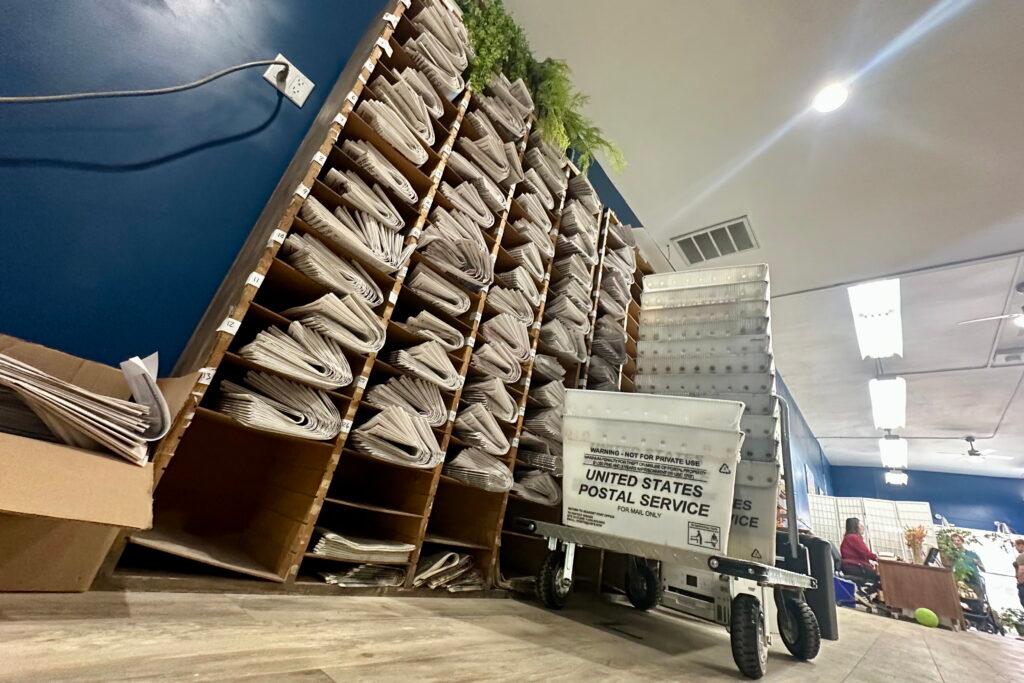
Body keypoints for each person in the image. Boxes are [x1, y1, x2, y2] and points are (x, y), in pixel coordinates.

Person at [840, 517, 880, 584]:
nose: (862, 527)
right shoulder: (853, 538)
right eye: (860, 525)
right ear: (855, 526)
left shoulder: (849, 537)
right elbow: (866, 553)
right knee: (881, 577)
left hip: (852, 566)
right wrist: (879, 558)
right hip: (856, 567)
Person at [1013, 538, 1024, 609]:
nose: (1016, 549)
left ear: (1021, 546)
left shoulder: (1021, 556)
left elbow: (1022, 569)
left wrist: (1020, 582)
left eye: (1016, 546)